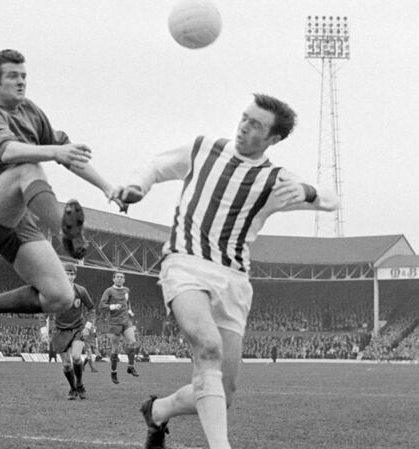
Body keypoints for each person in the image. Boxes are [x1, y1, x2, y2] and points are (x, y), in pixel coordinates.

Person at [112, 93, 339, 449]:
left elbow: (331, 200)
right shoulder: (205, 148)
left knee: (221, 390)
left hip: (233, 281)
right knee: (208, 347)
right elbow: (157, 165)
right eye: (245, 118)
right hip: (184, 265)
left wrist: (308, 189)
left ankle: (157, 410)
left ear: (273, 139)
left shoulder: (273, 179)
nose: (244, 127)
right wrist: (137, 186)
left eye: (256, 126)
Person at [0, 48, 122, 347]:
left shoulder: (31, 112)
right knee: (26, 167)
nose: (22, 82)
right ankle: (64, 231)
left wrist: (107, 188)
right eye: (13, 76)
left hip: (15, 218)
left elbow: (69, 153)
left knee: (60, 296)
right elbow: (9, 151)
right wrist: (54, 152)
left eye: (24, 75)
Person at [49, 262, 96, 400]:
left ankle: (80, 384)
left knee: (76, 357)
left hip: (77, 328)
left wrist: (88, 326)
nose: (69, 276)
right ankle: (73, 388)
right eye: (67, 273)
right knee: (66, 364)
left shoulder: (81, 291)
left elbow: (91, 309)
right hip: (60, 330)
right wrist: (43, 329)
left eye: (72, 274)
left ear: (75, 275)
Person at [99, 271, 140, 384]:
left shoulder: (126, 290)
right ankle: (113, 373)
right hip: (114, 323)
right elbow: (101, 306)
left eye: (122, 277)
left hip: (126, 321)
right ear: (113, 279)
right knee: (115, 348)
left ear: (124, 280)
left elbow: (128, 301)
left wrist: (129, 309)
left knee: (132, 342)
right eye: (117, 277)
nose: (119, 279)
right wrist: (112, 306)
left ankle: (130, 366)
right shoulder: (109, 291)